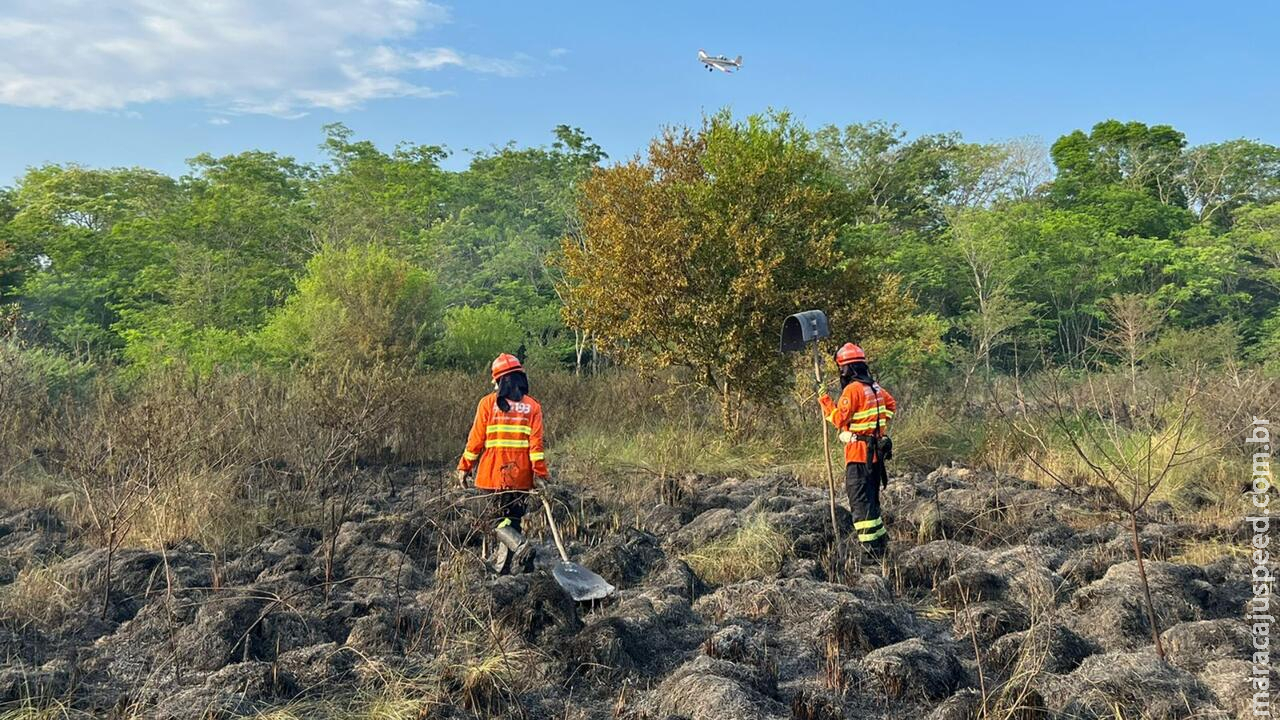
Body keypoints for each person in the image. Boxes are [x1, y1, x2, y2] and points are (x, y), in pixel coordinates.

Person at [456, 353, 549, 574]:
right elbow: (536, 448)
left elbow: (475, 441)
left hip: (491, 476)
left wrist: (464, 467)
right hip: (521, 478)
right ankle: (503, 570)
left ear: (498, 381)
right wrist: (541, 475)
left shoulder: (488, 404)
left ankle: (519, 545)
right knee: (511, 522)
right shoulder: (533, 406)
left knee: (490, 521)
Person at [818, 343, 896, 557]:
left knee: (861, 504)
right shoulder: (875, 387)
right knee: (871, 500)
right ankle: (881, 545)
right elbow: (891, 405)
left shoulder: (852, 390)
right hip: (875, 457)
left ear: (846, 369)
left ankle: (870, 552)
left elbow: (838, 418)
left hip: (859, 456)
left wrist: (824, 399)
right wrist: (875, 429)